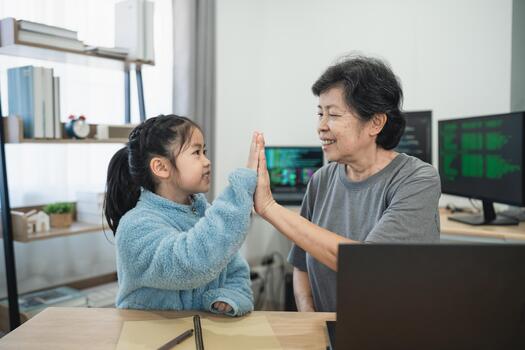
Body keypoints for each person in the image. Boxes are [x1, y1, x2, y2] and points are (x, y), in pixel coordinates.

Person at [253, 55, 441, 312]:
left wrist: (269, 207)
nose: (321, 127)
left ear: (375, 122)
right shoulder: (321, 180)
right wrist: (310, 320)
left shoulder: (417, 179)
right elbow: (301, 264)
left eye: (333, 114)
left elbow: (367, 264)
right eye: (320, 113)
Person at [104, 114, 260, 316]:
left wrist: (229, 297)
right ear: (161, 167)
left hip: (203, 330)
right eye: (196, 153)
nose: (207, 161)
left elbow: (236, 271)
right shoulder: (134, 226)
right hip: (148, 337)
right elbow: (190, 263)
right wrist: (240, 190)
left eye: (204, 151)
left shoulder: (204, 212)